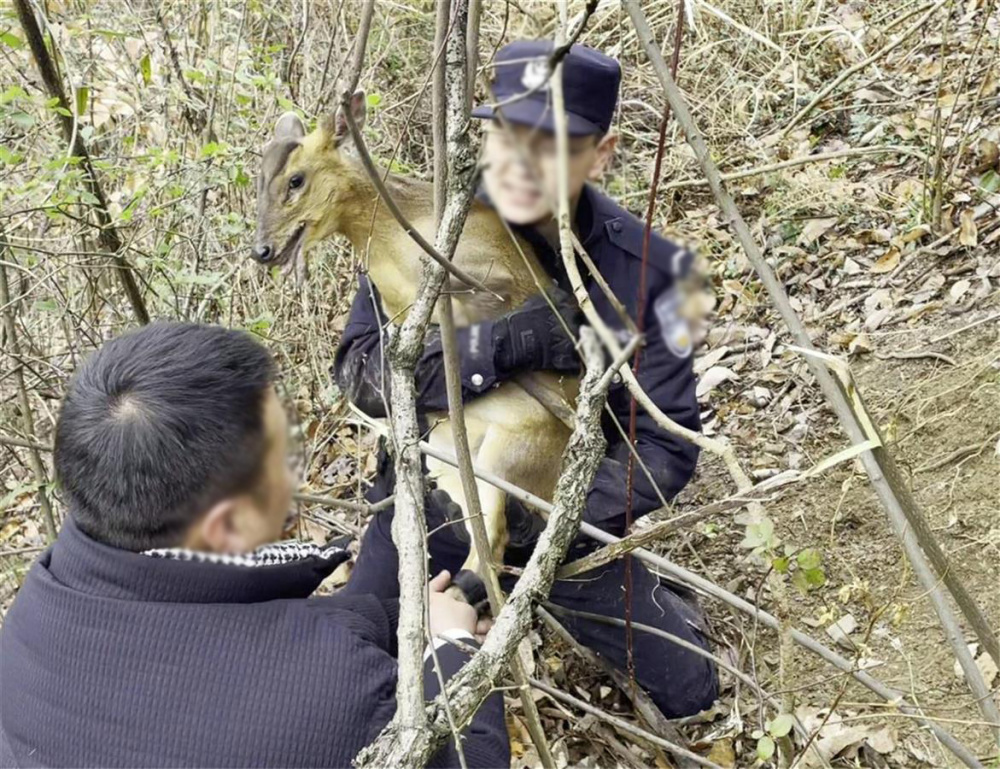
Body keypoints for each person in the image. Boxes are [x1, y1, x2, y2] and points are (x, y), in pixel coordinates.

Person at [335, 41, 718, 718]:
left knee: (691, 691)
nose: (519, 162)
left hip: (560, 510)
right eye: (506, 134)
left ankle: (648, 600)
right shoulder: (418, 228)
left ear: (601, 152)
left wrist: (550, 526)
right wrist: (502, 343)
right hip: (434, 504)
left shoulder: (664, 273)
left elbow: (667, 449)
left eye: (553, 144)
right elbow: (361, 376)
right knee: (352, 670)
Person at [0, 322, 508, 768]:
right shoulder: (332, 697)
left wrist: (389, 620)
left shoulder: (36, 609)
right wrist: (451, 650)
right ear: (226, 524)